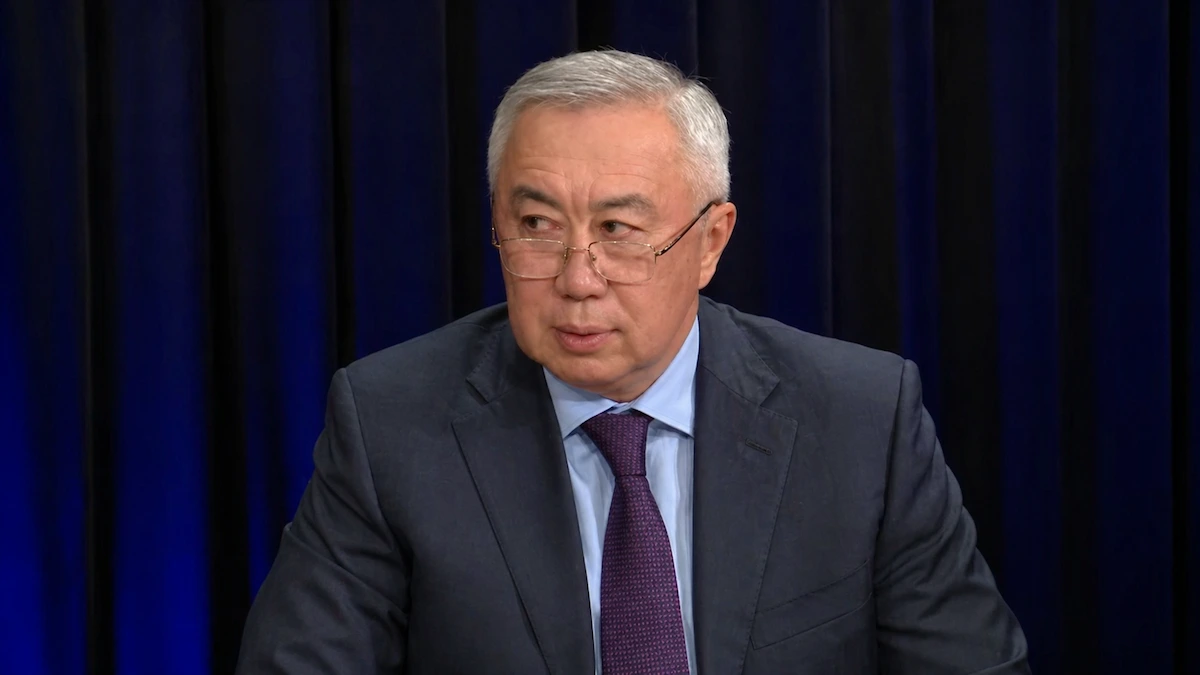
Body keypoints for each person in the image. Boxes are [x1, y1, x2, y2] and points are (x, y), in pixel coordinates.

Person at [236, 49, 1029, 674]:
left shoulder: (860, 421)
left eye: (618, 231)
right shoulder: (391, 426)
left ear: (711, 240)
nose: (578, 279)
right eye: (538, 225)